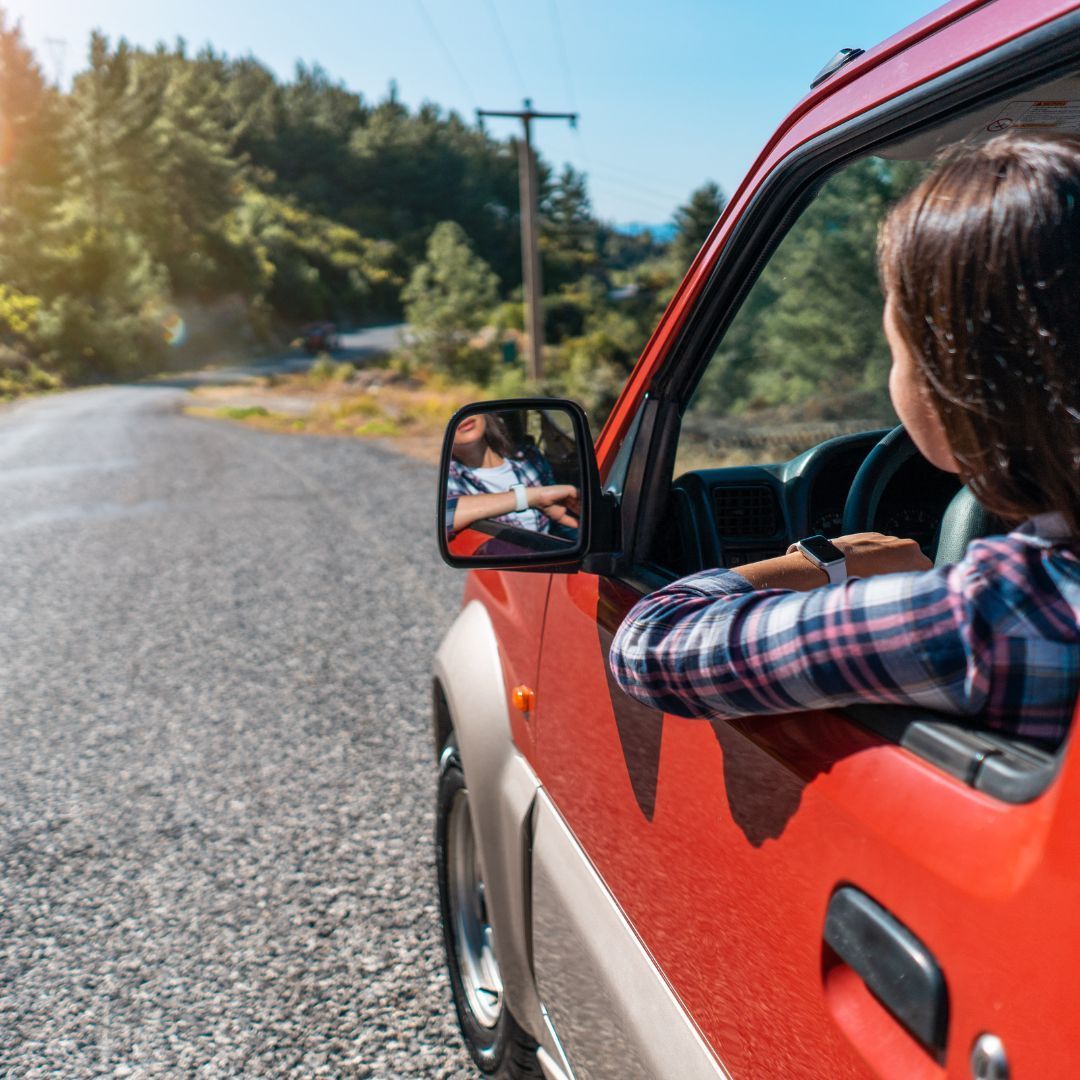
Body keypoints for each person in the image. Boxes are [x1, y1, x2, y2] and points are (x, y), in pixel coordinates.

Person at [610, 133, 1080, 746]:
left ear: (959, 381)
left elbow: (649, 644)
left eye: (899, 349)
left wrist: (830, 562)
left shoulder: (983, 618)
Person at [446, 412, 579, 539]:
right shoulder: (450, 477)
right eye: (447, 412)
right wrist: (531, 497)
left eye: (464, 407)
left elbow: (559, 515)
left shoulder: (529, 457)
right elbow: (445, 518)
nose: (461, 417)